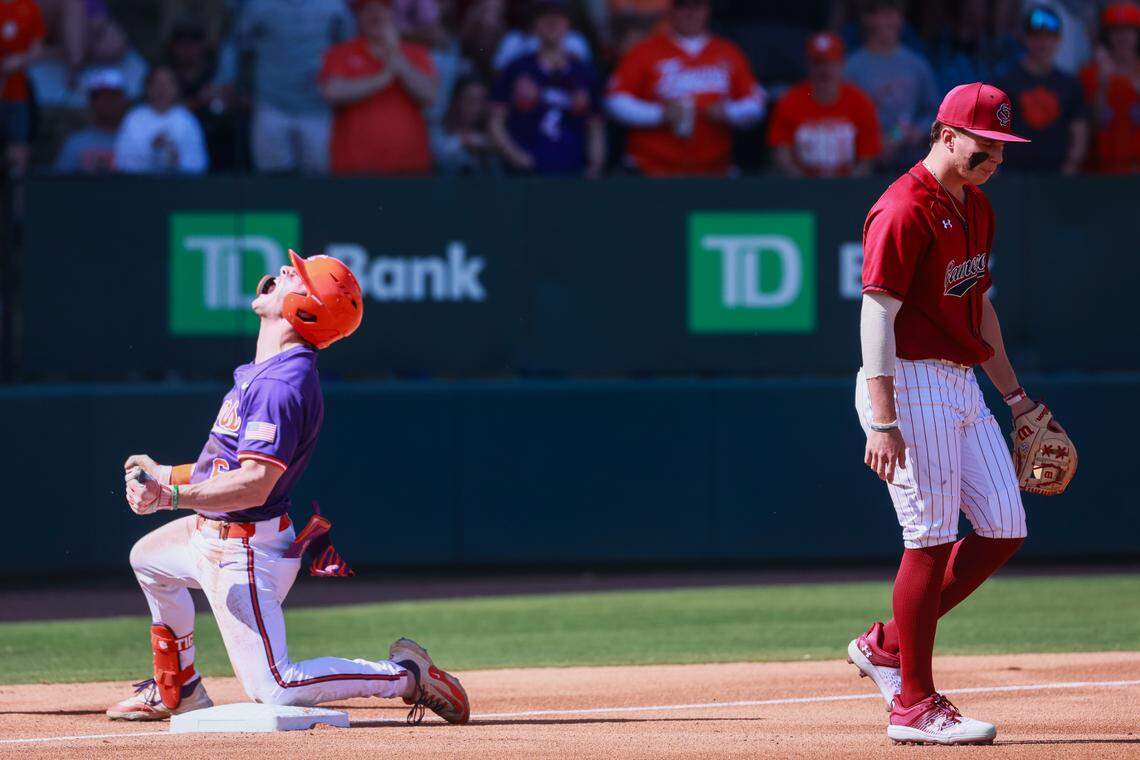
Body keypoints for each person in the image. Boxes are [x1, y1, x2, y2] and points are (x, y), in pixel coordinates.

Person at [106, 249, 471, 726]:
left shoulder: (282, 383)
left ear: (306, 310)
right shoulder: (261, 371)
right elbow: (222, 467)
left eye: (296, 277)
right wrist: (165, 474)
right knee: (149, 560)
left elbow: (255, 484)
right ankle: (181, 689)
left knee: (275, 687)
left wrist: (169, 498)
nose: (281, 271)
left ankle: (405, 676)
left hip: (245, 551)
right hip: (210, 534)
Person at [850, 82, 1070, 745]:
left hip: (961, 383)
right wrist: (883, 419)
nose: (996, 159)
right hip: (908, 384)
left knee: (1004, 525)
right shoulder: (902, 208)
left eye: (1003, 148)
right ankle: (913, 705)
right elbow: (876, 314)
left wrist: (1016, 399)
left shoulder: (975, 206)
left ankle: (887, 645)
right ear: (948, 136)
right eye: (986, 147)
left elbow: (980, 311)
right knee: (929, 539)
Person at [606, 0, 764, 176]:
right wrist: (659, 114)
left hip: (714, 168)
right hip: (652, 168)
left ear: (707, 10)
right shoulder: (645, 50)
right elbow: (615, 100)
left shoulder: (728, 51)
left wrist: (729, 112)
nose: (690, 14)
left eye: (696, 7)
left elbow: (755, 103)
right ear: (671, 11)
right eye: (683, 7)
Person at [319, 0, 438, 175]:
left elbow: (428, 94)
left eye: (382, 9)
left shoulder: (416, 53)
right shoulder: (340, 53)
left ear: (392, 15)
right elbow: (332, 91)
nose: (375, 15)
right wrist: (384, 77)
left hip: (409, 167)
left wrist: (395, 55)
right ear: (357, 16)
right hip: (354, 167)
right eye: (367, 9)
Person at [237, 0, 354, 174]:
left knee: (319, 180)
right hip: (271, 103)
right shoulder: (257, 5)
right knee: (272, 181)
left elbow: (346, 44)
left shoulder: (334, 5)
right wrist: (245, 90)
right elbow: (243, 47)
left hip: (317, 106)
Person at [489, 0, 604, 176]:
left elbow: (595, 126)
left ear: (568, 24)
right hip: (526, 176)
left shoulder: (584, 73)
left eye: (558, 18)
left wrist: (594, 167)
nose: (552, 23)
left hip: (574, 172)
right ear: (534, 25)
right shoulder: (516, 69)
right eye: (545, 18)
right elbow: (495, 121)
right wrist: (516, 157)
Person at [768, 31, 881, 177]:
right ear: (808, 65)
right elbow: (782, 154)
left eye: (830, 62)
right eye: (818, 63)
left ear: (842, 64)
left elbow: (867, 159)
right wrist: (805, 186)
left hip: (849, 189)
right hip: (800, 188)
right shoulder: (789, 101)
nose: (824, 70)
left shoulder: (861, 102)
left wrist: (844, 188)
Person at [844, 0, 941, 171]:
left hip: (912, 158)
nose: (889, 21)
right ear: (868, 19)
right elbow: (843, 115)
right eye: (883, 14)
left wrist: (918, 130)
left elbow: (934, 112)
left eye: (893, 14)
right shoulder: (852, 67)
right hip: (866, 160)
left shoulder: (917, 64)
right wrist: (871, 141)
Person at [997, 5, 1087, 174]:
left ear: (1058, 39)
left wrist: (1069, 170)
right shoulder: (1006, 83)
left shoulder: (1070, 84)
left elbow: (1079, 133)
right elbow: (994, 133)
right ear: (1025, 38)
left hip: (1058, 179)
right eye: (1036, 36)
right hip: (1014, 179)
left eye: (1048, 36)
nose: (1042, 43)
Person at [113, 65, 208, 174]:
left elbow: (199, 164)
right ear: (147, 87)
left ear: (176, 88)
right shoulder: (133, 118)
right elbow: (122, 163)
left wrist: (177, 159)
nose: (162, 89)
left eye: (167, 84)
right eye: (157, 83)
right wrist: (151, 150)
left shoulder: (187, 120)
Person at [1080, 1, 1140, 173]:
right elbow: (1092, 127)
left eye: (1129, 30)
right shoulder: (1090, 73)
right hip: (1101, 171)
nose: (1123, 37)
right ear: (1107, 36)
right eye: (1116, 31)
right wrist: (1103, 85)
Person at [0, 0, 45, 177]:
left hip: (17, 94)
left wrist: (20, 60)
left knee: (18, 150)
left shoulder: (30, 7)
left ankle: (19, 201)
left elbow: (38, 48)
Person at [54, 66, 126, 172]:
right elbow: (58, 184)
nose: (107, 102)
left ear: (124, 100)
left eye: (112, 97)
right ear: (91, 102)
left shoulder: (137, 140)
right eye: (100, 97)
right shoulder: (75, 143)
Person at [432, 75, 499, 174]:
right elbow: (437, 158)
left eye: (481, 102)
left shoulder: (495, 135)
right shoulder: (438, 130)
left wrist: (488, 146)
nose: (475, 107)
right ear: (456, 100)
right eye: (470, 100)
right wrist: (461, 141)